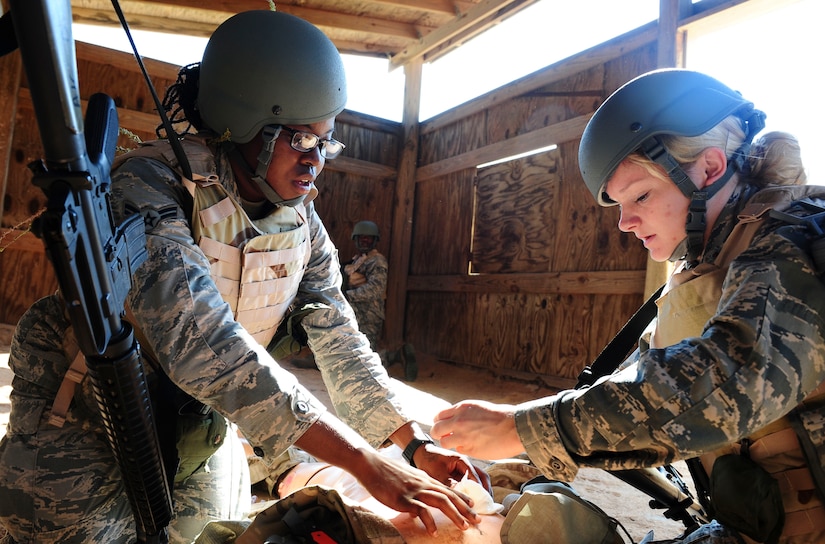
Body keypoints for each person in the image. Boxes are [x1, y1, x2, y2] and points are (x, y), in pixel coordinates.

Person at [0, 10, 484, 543]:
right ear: (244, 121)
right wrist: (363, 462)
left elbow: (339, 337)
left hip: (199, 425)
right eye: (301, 140)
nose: (316, 162)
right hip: (92, 416)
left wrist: (412, 442)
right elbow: (199, 341)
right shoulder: (152, 186)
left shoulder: (300, 220)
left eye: (326, 143)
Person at [431, 69, 825, 544]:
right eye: (619, 203)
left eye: (640, 195)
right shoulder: (710, 263)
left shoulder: (794, 241)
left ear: (709, 169)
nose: (625, 222)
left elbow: (729, 377)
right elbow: (638, 380)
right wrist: (514, 448)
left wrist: (523, 428)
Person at [342, 220, 417, 381]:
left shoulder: (377, 261)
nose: (365, 241)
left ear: (375, 241)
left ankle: (397, 355)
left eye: (368, 239)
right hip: (354, 312)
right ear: (355, 239)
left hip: (368, 314)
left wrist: (347, 296)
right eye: (361, 238)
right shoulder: (358, 260)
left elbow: (375, 289)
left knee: (366, 359)